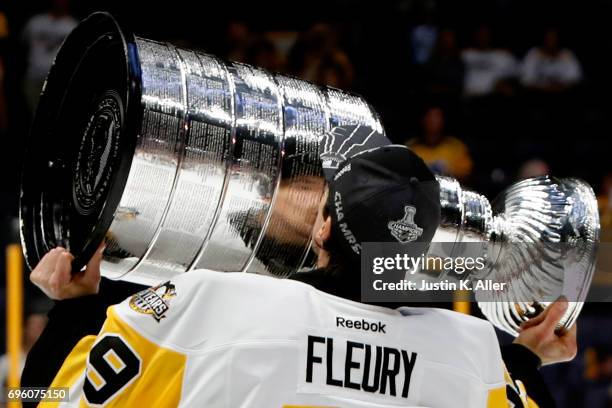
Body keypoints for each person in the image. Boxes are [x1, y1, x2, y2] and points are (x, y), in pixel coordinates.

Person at [23, 125, 575, 407]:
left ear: (324, 227)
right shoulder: (473, 355)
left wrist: (70, 312)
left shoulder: (206, 304)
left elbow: (43, 402)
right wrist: (526, 360)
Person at [21, 0, 77, 115]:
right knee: (34, 115)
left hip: (58, 79)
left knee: (52, 116)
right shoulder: (35, 22)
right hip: (33, 76)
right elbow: (22, 44)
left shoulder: (73, 25)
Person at [407, 106, 473, 181]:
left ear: (443, 120)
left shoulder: (456, 146)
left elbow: (466, 176)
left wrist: (445, 175)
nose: (433, 121)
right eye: (430, 116)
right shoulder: (411, 147)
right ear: (423, 120)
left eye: (437, 117)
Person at [461, 26, 518, 97]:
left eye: (485, 35)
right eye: (480, 35)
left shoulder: (502, 56)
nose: (482, 37)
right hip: (469, 96)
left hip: (492, 97)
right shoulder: (466, 54)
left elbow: (517, 75)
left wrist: (504, 83)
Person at [520, 28, 582, 92]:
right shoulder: (533, 54)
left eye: (554, 38)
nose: (551, 42)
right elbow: (526, 80)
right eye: (548, 39)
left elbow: (575, 78)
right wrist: (544, 87)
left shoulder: (567, 54)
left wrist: (560, 87)